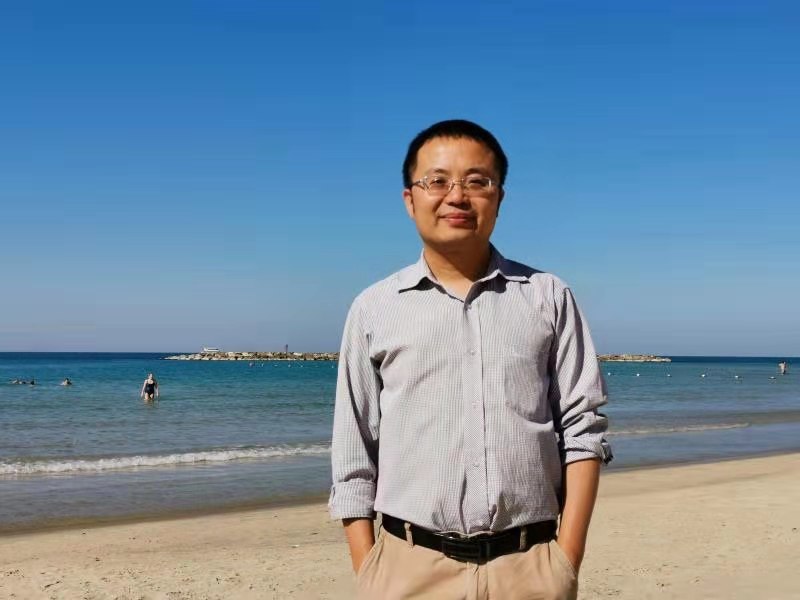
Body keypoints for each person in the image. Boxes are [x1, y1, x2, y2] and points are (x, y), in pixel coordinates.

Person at [330, 119, 611, 599]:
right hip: (407, 568)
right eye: (437, 181)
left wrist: (565, 559)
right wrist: (370, 567)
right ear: (410, 199)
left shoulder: (547, 297)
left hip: (529, 566)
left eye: (477, 181)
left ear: (499, 198)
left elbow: (583, 429)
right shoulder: (374, 308)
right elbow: (354, 449)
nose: (457, 196)